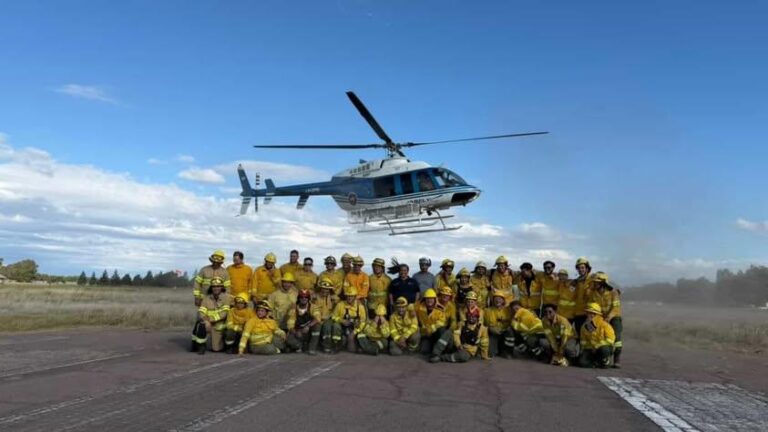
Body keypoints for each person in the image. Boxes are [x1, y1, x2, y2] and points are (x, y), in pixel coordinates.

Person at [588, 272, 623, 368]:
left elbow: (616, 308)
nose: (594, 284)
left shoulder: (613, 293)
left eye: (596, 282)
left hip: (614, 317)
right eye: (594, 282)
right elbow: (593, 307)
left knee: (617, 338)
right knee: (597, 335)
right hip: (601, 318)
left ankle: (617, 359)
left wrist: (609, 317)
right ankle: (602, 357)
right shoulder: (593, 293)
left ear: (603, 283)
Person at [191, 277, 231, 355]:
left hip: (220, 325)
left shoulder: (226, 298)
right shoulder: (206, 298)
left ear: (222, 287)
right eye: (214, 286)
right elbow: (201, 311)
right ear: (211, 288)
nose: (216, 288)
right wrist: (205, 321)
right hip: (208, 324)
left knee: (216, 349)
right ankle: (200, 346)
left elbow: (224, 313)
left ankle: (227, 346)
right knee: (201, 325)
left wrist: (210, 319)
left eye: (218, 286)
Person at [330, 285, 367, 353]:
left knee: (351, 350)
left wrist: (354, 332)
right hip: (343, 329)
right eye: (348, 296)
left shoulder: (360, 307)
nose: (349, 298)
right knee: (336, 325)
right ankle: (336, 345)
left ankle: (360, 345)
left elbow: (363, 322)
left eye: (351, 296)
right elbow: (333, 316)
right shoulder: (340, 305)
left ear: (355, 297)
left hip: (355, 329)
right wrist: (341, 320)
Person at [578, 302, 615, 368]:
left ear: (597, 314)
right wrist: (587, 351)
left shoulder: (604, 325)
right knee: (582, 362)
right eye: (588, 313)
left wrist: (597, 346)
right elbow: (583, 342)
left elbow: (610, 340)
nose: (590, 315)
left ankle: (605, 361)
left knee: (604, 350)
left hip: (603, 348)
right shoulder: (584, 326)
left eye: (592, 313)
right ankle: (595, 363)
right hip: (591, 350)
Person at [286, 289, 320, 355]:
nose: (304, 299)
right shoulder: (293, 309)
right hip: (299, 331)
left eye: (306, 297)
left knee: (317, 326)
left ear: (308, 298)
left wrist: (308, 326)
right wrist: (296, 332)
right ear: (299, 298)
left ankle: (312, 349)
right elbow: (290, 324)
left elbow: (317, 318)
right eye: (302, 297)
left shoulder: (313, 307)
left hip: (309, 330)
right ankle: (301, 346)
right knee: (289, 340)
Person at [415, 288, 448, 354]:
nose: (429, 300)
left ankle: (438, 347)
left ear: (435, 299)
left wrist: (432, 328)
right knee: (424, 351)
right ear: (425, 299)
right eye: (427, 298)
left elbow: (442, 322)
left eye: (431, 298)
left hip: (435, 332)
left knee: (442, 330)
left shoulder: (440, 308)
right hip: (425, 333)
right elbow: (411, 307)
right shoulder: (419, 307)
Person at [314, 278, 340, 353]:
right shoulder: (314, 297)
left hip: (328, 319)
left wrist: (333, 294)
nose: (325, 291)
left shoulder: (333, 298)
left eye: (327, 289)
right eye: (323, 288)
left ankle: (327, 346)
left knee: (327, 327)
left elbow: (338, 303)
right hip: (316, 319)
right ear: (320, 288)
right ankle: (313, 346)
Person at [485, 292, 514, 358]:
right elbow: (485, 324)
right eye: (496, 299)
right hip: (493, 333)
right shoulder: (487, 311)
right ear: (493, 300)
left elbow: (512, 322)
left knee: (510, 332)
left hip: (505, 333)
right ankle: (495, 350)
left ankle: (508, 352)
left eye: (500, 299)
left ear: (503, 300)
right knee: (491, 353)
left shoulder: (508, 310)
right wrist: (490, 328)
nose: (498, 300)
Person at [572, 257, 594, 334]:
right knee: (580, 335)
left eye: (582, 267)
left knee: (591, 334)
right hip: (578, 314)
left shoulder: (592, 279)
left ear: (587, 268)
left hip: (589, 314)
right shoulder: (576, 282)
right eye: (578, 268)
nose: (580, 270)